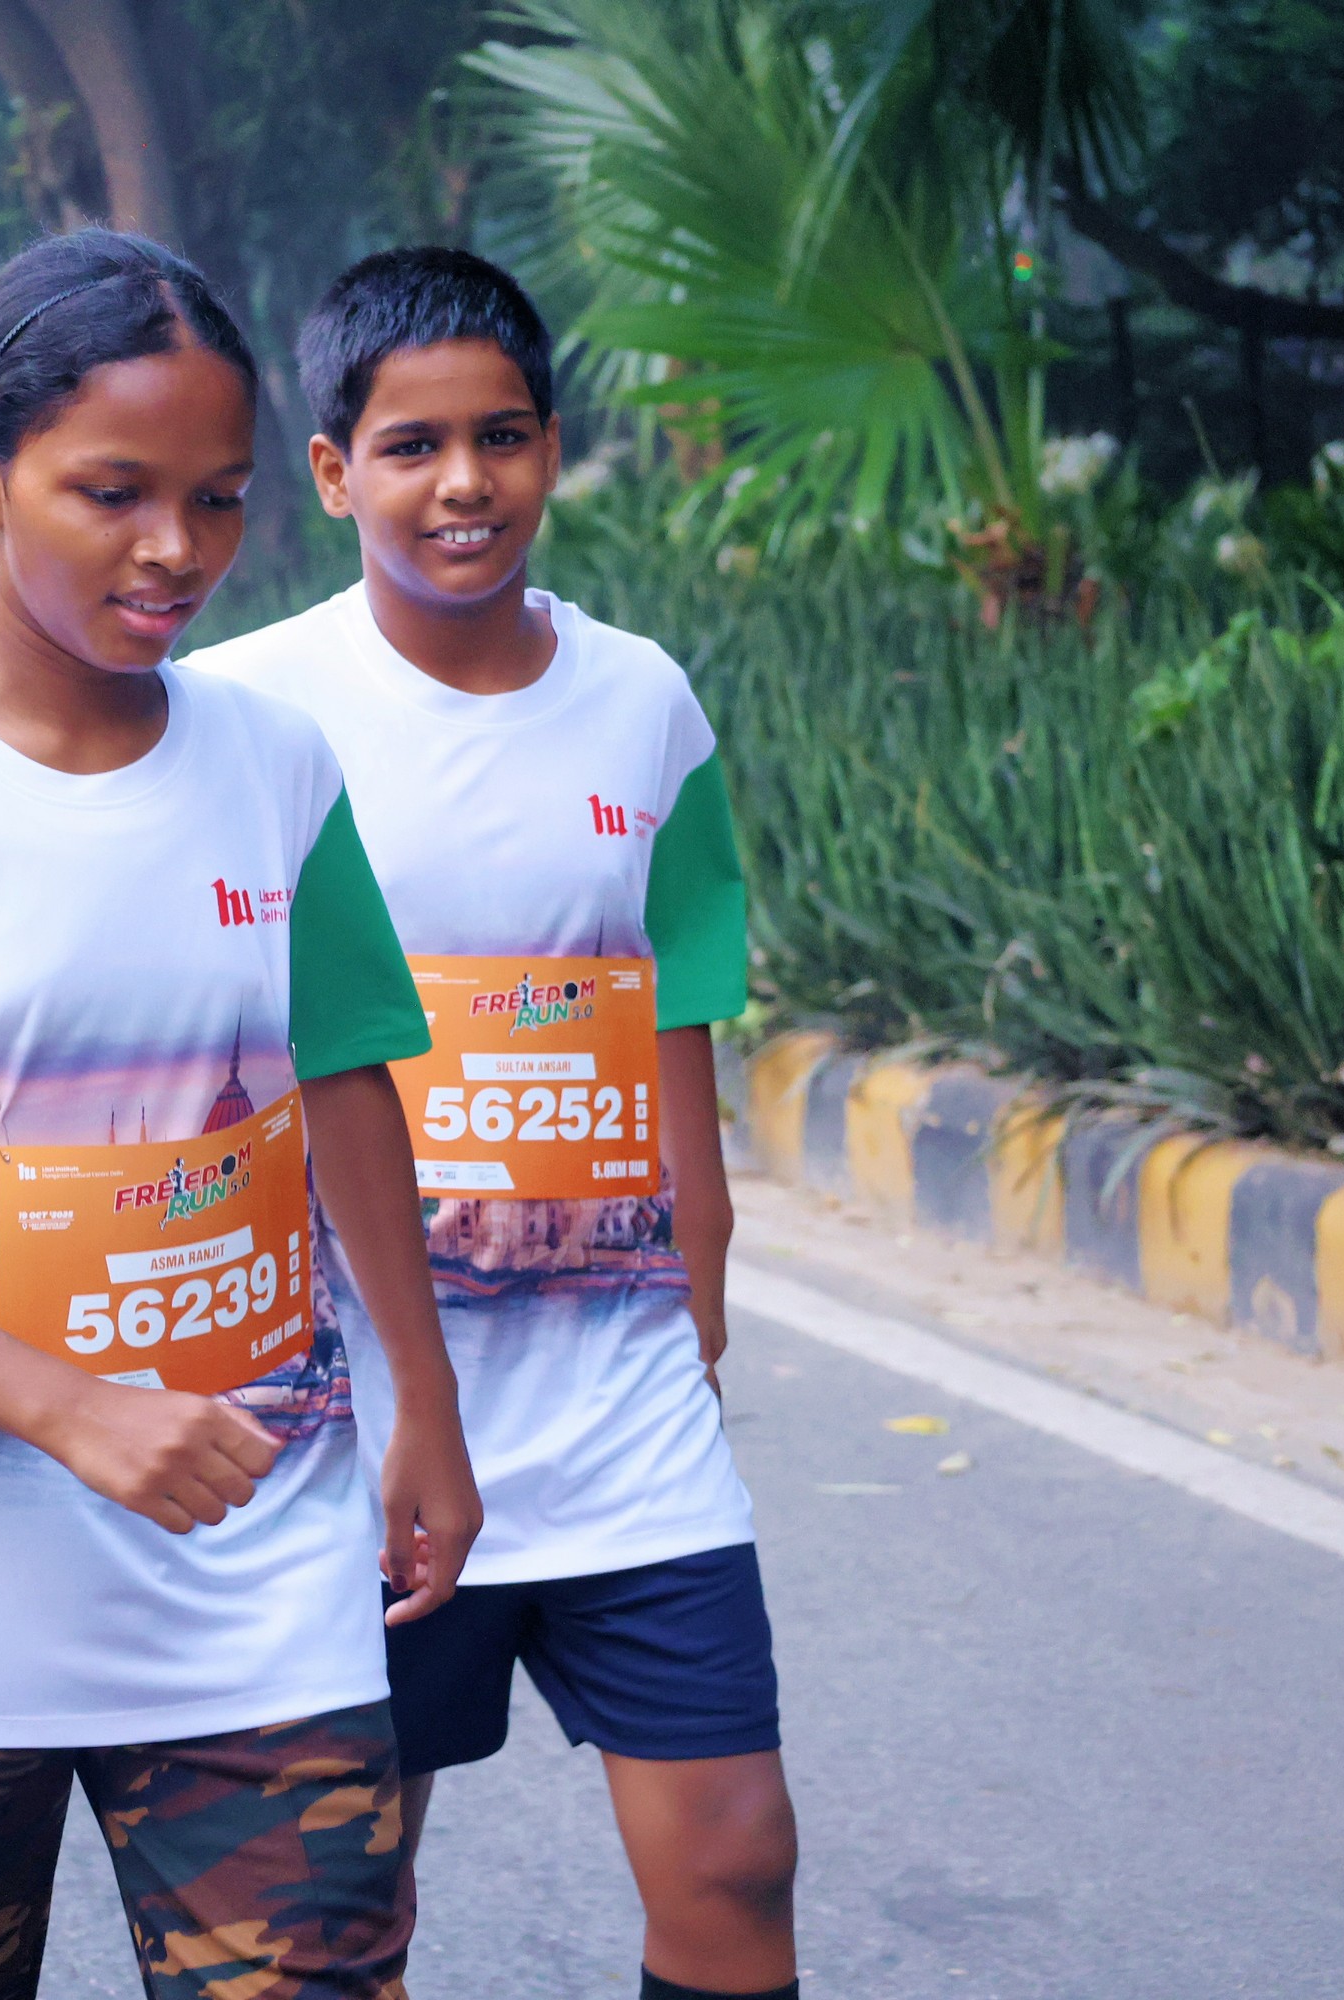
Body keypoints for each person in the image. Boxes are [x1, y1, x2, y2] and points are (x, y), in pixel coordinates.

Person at [0, 228, 481, 2000]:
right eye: (113, 493)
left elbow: (347, 1078)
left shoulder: (278, 769)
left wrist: (425, 1403)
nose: (175, 549)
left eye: (218, 499)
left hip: (251, 1574)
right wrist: (74, 1410)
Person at [189, 248, 795, 2000]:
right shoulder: (242, 719)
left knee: (739, 1863)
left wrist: (701, 1294)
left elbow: (676, 1007)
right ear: (333, 472)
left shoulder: (643, 700)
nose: (464, 483)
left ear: (551, 449)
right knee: (339, 1914)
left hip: (618, 1408)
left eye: (503, 437)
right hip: (354, 1425)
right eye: (413, 446)